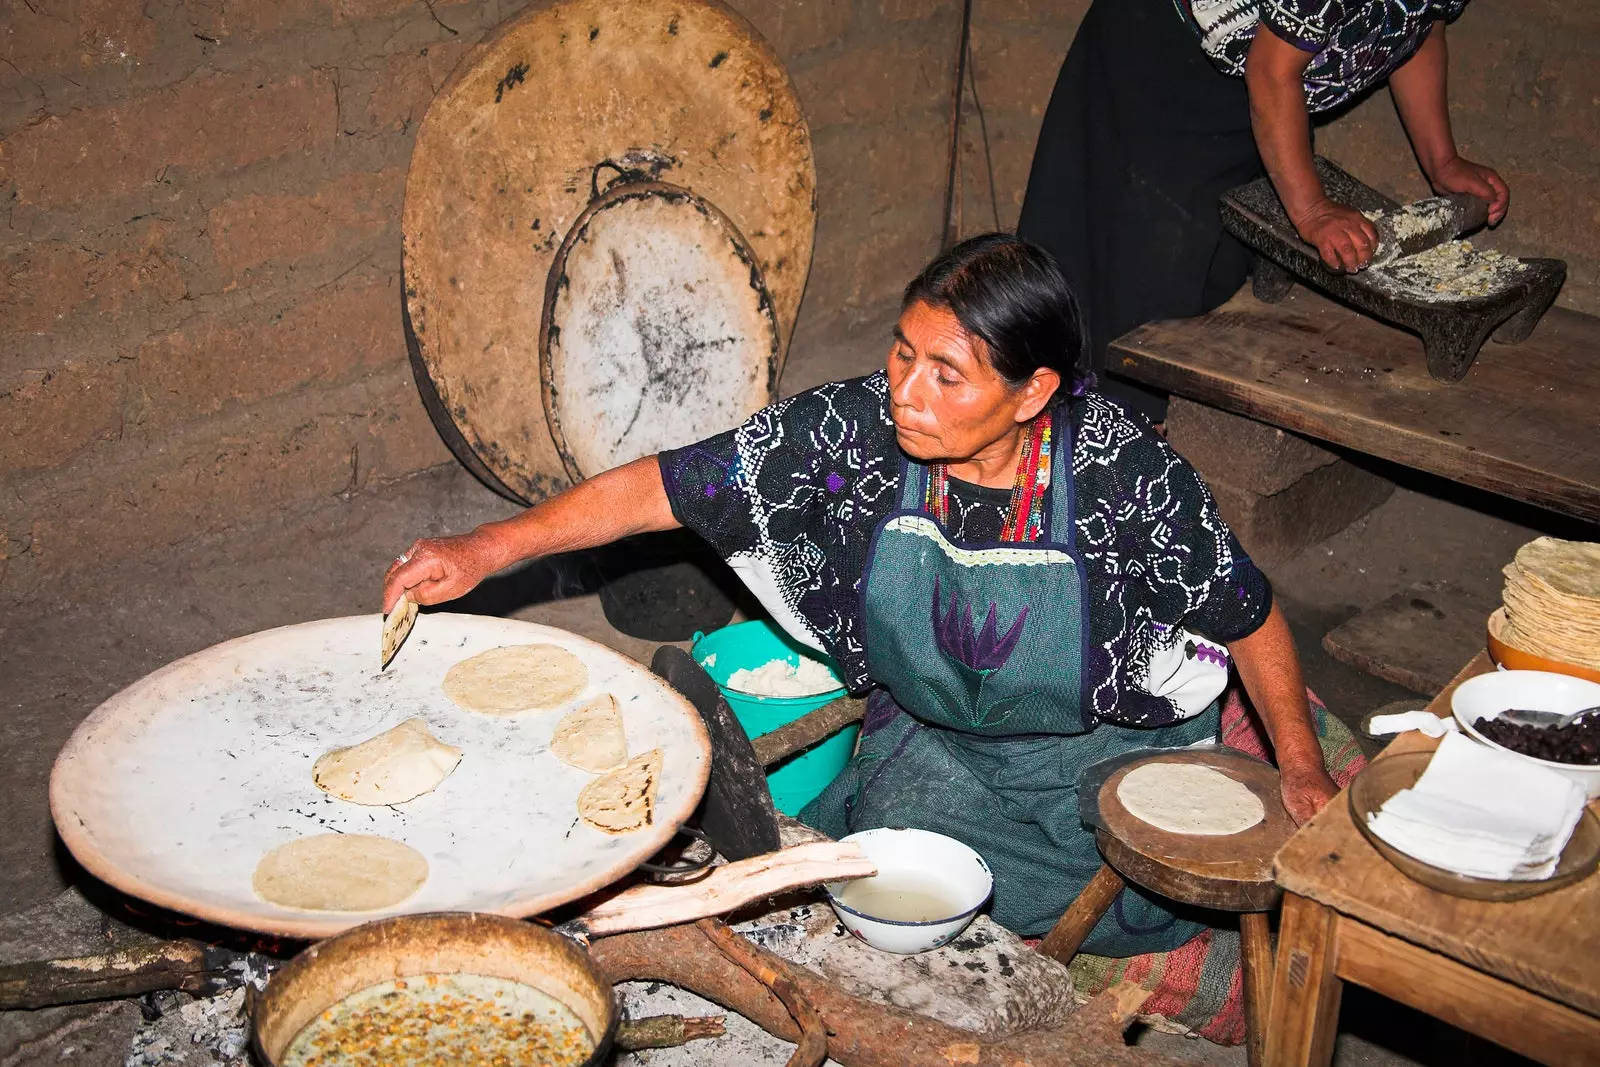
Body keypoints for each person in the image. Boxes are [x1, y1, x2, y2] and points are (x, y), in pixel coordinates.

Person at [382, 234, 1339, 955]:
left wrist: (1297, 762)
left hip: (1105, 750)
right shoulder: (850, 435)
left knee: (1155, 875)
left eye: (947, 374)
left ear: (1034, 392)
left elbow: (1245, 612)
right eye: (901, 353)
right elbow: (666, 486)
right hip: (946, 743)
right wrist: (488, 545)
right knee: (893, 862)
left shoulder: (1121, 472)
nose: (906, 392)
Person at [1017, 0, 1510, 424]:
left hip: (1260, 82)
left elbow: (1415, 26)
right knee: (1144, 259)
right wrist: (1312, 209)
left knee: (1226, 256)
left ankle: (1161, 425)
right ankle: (1106, 430)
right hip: (1164, 50)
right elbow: (1271, 73)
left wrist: (1442, 161)